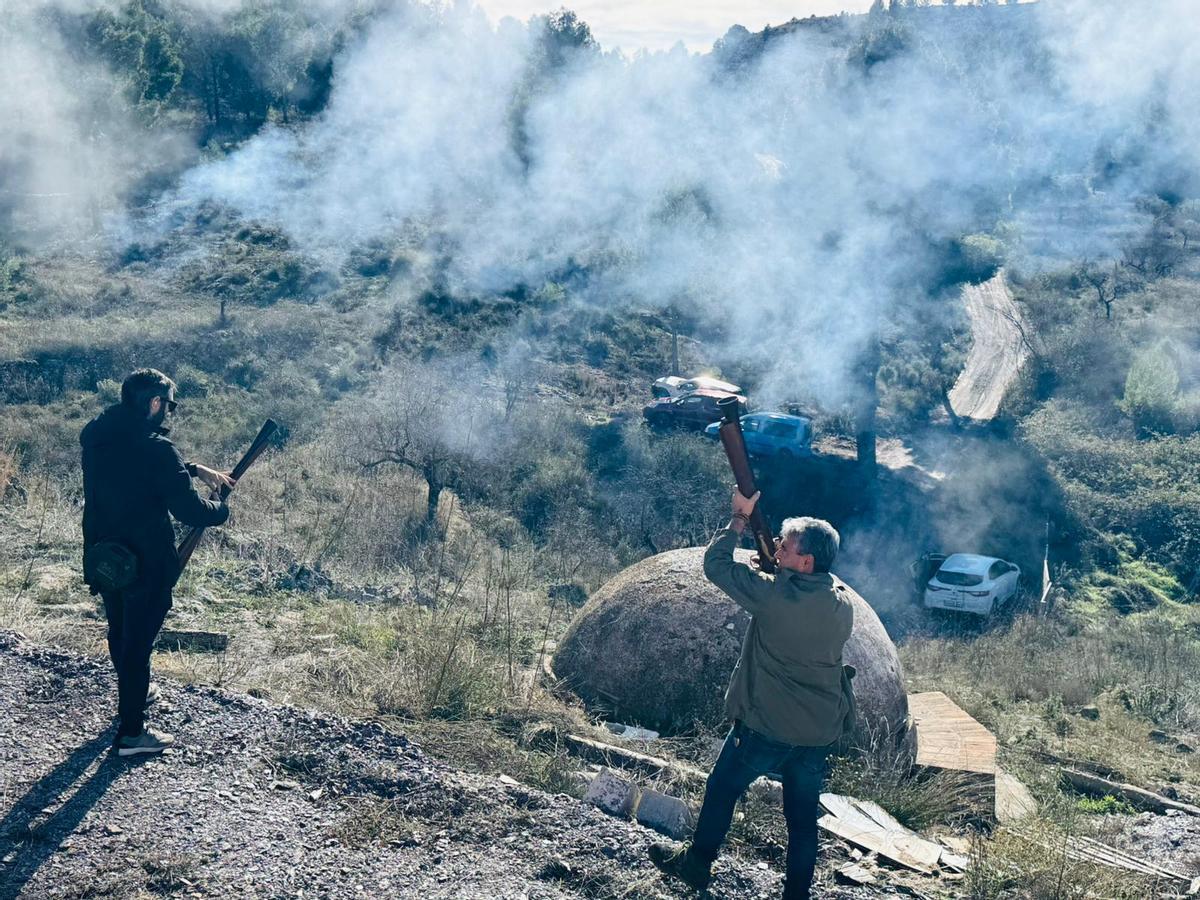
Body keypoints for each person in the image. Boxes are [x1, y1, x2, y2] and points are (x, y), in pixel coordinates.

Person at [650, 488, 855, 900]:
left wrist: (739, 520)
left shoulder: (773, 593)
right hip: (817, 733)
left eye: (786, 545)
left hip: (766, 727)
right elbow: (799, 598)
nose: (778, 548)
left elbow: (715, 564)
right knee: (801, 823)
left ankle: (697, 865)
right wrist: (777, 569)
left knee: (723, 788)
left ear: (806, 560)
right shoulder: (841, 603)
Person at [80, 368, 234, 757]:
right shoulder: (156, 450)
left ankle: (136, 694)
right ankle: (132, 733)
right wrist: (221, 510)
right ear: (153, 403)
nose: (169, 412)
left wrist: (196, 469)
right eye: (168, 404)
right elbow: (190, 510)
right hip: (146, 563)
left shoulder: (98, 437)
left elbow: (138, 471)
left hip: (106, 557)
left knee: (120, 631)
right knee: (138, 644)